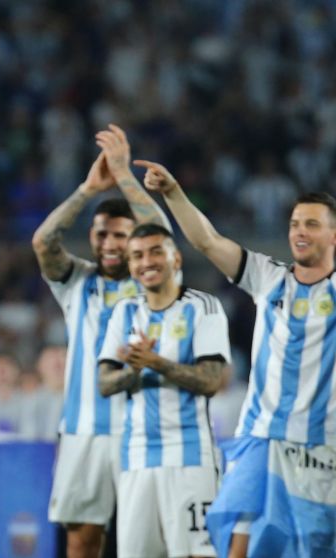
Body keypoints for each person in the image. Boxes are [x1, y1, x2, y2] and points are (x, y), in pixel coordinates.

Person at [135, 159, 336, 557]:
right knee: (238, 546)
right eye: (295, 223)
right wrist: (173, 192)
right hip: (259, 436)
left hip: (320, 445)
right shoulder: (269, 276)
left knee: (309, 549)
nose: (299, 231)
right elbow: (207, 241)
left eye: (312, 224)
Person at [31, 125, 171, 558]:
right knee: (82, 541)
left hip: (141, 431)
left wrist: (124, 175)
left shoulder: (154, 283)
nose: (108, 242)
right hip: (82, 432)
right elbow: (43, 241)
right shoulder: (77, 280)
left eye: (119, 234)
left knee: (145, 543)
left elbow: (161, 231)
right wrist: (88, 189)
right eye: (101, 233)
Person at [98, 224, 228, 558]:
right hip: (136, 457)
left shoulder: (204, 307)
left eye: (156, 251)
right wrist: (135, 370)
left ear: (176, 258)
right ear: (130, 265)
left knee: (197, 554)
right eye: (137, 255)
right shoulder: (124, 311)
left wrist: (156, 362)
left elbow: (211, 381)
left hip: (191, 455)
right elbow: (104, 383)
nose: (147, 261)